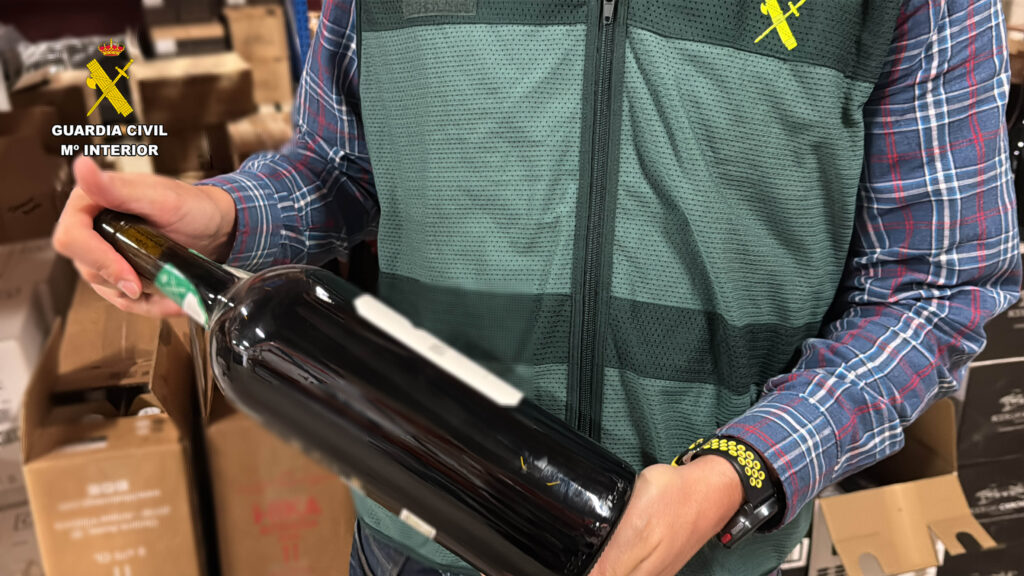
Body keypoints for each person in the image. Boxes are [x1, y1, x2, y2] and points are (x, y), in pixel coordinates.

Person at [54, 0, 1022, 574]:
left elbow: (936, 281)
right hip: (418, 538)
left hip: (710, 555)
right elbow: (338, 165)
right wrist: (219, 217)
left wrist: (740, 469)